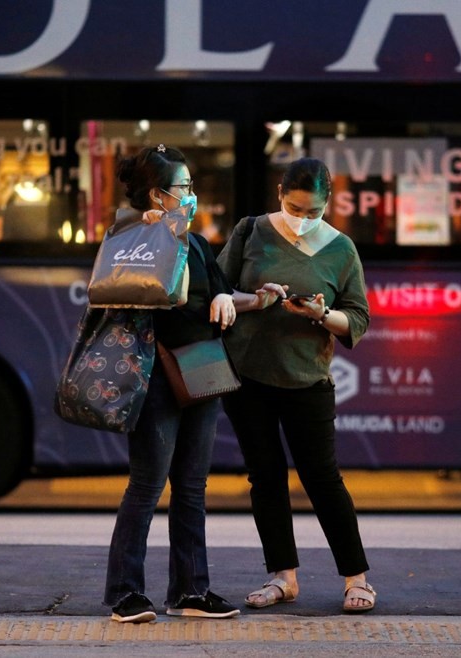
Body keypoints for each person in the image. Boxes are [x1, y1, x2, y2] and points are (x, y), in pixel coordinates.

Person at [103, 144, 286, 624]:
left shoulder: (199, 242)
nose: (191, 195)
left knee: (191, 486)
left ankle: (190, 591)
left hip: (203, 365)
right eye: (183, 187)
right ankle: (126, 593)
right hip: (155, 371)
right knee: (147, 484)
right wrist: (168, 240)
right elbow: (145, 296)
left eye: (188, 187)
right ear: (158, 194)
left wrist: (253, 299)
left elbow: (219, 292)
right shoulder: (133, 237)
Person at [216, 157, 376, 614]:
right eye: (295, 208)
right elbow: (218, 289)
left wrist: (321, 315)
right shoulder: (250, 231)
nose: (303, 220)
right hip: (248, 376)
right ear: (279, 193)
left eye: (314, 213)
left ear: (327, 207)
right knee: (265, 478)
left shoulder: (341, 248)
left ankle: (356, 578)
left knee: (322, 478)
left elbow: (358, 317)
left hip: (308, 379)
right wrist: (253, 299)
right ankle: (282, 577)